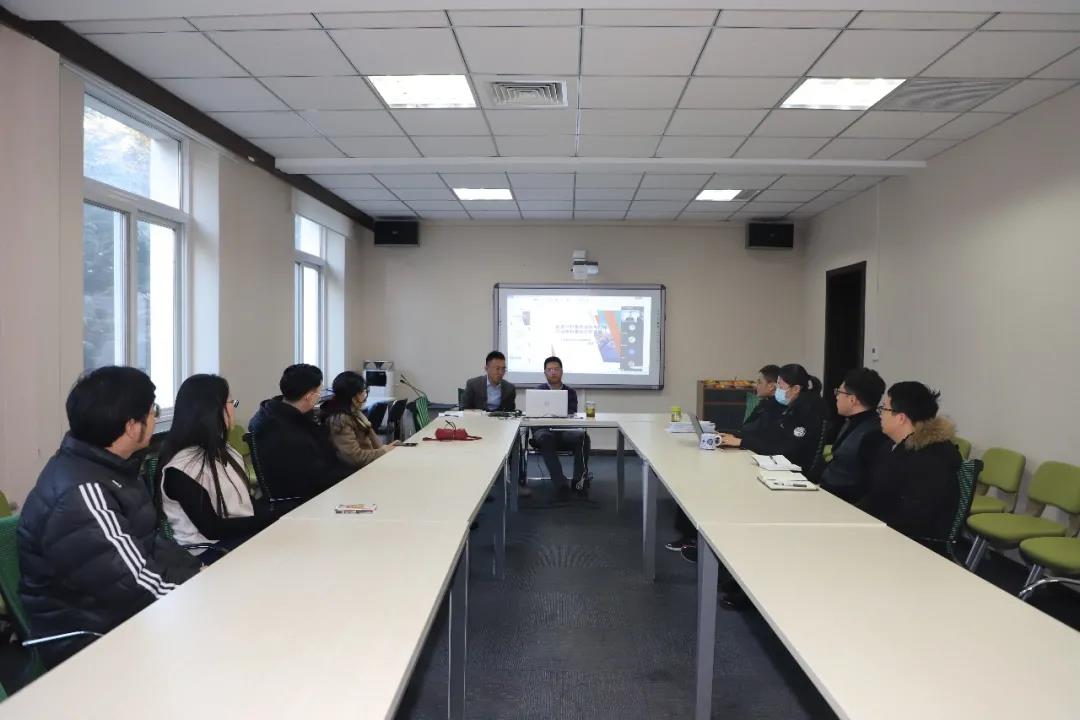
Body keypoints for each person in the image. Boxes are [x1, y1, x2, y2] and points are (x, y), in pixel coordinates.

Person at [17, 367, 202, 668]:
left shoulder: (113, 468)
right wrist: (202, 595)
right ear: (131, 426)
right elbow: (136, 587)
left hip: (121, 615)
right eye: (152, 411)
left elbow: (150, 542)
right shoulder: (82, 493)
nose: (155, 418)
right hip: (91, 641)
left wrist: (198, 571)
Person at [666, 364, 784, 552]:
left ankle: (693, 538)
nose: (756, 385)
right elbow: (749, 431)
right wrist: (729, 436)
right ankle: (689, 535)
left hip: (755, 461)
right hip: (744, 452)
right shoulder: (764, 405)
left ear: (771, 386)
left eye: (760, 382)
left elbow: (767, 441)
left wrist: (739, 441)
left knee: (701, 484)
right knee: (694, 477)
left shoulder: (778, 411)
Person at [158, 374, 274, 560]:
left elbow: (246, 502)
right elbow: (212, 528)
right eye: (230, 402)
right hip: (208, 552)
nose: (233, 408)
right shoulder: (181, 468)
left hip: (238, 538)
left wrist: (272, 515)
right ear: (212, 410)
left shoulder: (225, 450)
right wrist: (269, 519)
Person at [861, 382, 962, 542]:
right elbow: (875, 496)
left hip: (910, 543)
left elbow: (913, 520)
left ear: (901, 418)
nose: (880, 414)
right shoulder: (891, 446)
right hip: (880, 528)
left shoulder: (932, 459)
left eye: (884, 409)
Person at [248, 364, 352, 509]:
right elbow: (318, 476)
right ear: (309, 396)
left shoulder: (270, 414)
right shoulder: (290, 433)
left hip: (299, 492)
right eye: (319, 391)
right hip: (305, 501)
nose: (320, 396)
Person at [719, 363, 828, 481]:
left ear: (796, 389)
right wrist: (737, 438)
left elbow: (784, 451)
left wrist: (742, 442)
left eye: (780, 386)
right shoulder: (794, 407)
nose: (777, 390)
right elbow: (772, 439)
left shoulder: (807, 411)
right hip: (782, 467)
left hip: (794, 474)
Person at [819, 368, 890, 504]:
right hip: (828, 493)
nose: (836, 397)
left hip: (845, 503)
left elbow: (867, 484)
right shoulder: (851, 422)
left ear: (852, 399)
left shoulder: (873, 434)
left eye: (839, 392)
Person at [530, 356, 591, 501]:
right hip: (543, 431)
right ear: (545, 373)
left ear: (562, 371)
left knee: (583, 437)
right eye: (549, 369)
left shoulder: (570, 392)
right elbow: (533, 414)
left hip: (564, 431)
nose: (553, 372)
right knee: (546, 438)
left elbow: (571, 412)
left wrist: (554, 414)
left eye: (556, 369)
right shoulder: (538, 391)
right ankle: (560, 484)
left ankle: (578, 481)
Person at [321, 371, 399, 469]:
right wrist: (384, 451)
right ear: (352, 396)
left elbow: (375, 446)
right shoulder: (340, 419)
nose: (365, 395)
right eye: (362, 392)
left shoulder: (355, 412)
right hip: (355, 472)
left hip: (367, 466)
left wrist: (387, 449)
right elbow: (354, 457)